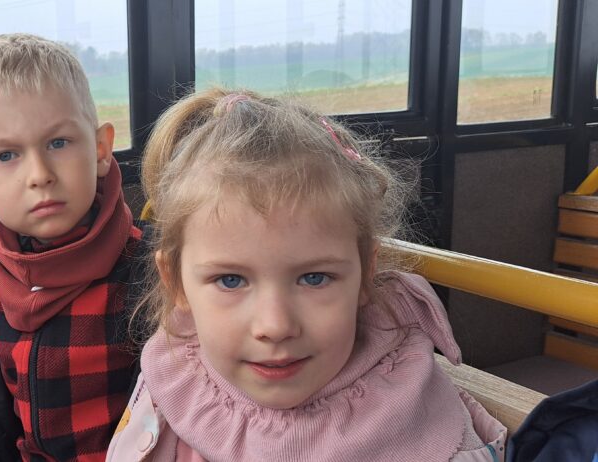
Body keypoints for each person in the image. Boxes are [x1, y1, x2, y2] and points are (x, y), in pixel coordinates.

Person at [107, 88, 507, 461]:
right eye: (231, 280)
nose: (275, 326)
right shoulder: (173, 380)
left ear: (366, 274)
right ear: (176, 283)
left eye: (314, 278)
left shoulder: (414, 406)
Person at [0, 33, 145, 461]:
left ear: (100, 150)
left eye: (58, 143)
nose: (39, 174)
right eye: (5, 156)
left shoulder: (155, 268)